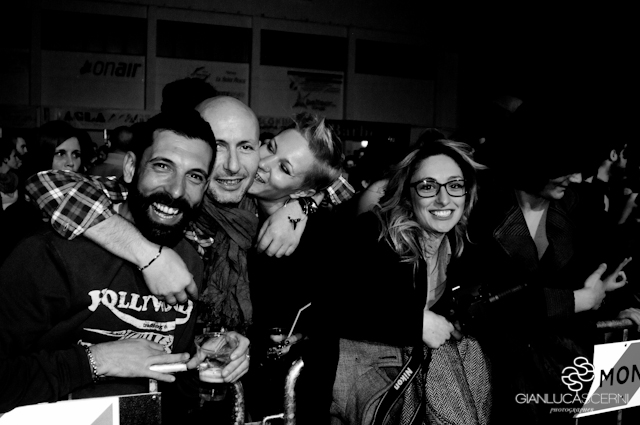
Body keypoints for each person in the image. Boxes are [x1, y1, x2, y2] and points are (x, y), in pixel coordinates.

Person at [0, 110, 250, 418]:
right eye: (162, 166)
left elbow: (173, 383)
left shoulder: (191, 259)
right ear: (131, 167)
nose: (176, 190)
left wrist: (209, 360)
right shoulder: (51, 253)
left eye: (194, 176)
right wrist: (96, 361)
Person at [23, 96, 354, 327]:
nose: (238, 166)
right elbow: (46, 185)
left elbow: (343, 186)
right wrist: (149, 255)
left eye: (245, 146)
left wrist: (302, 206)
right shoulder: (167, 199)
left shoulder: (261, 214)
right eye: (219, 145)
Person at [457, 100, 634, 424]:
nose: (577, 177)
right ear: (534, 160)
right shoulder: (479, 209)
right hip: (503, 378)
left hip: (572, 368)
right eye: (564, 166)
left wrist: (625, 309)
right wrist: (577, 300)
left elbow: (608, 264)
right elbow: (484, 304)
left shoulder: (579, 204)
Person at [330, 139, 491, 425]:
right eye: (428, 187)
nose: (444, 199)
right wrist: (415, 323)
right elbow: (333, 306)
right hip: (371, 379)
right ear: (408, 194)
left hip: (415, 376)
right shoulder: (374, 234)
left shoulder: (458, 243)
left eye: (455, 185)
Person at [243, 112, 343, 422]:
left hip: (283, 398)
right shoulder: (233, 208)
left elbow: (331, 322)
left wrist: (298, 339)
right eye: (270, 147)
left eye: (284, 168)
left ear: (301, 191)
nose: (263, 163)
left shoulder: (322, 239)